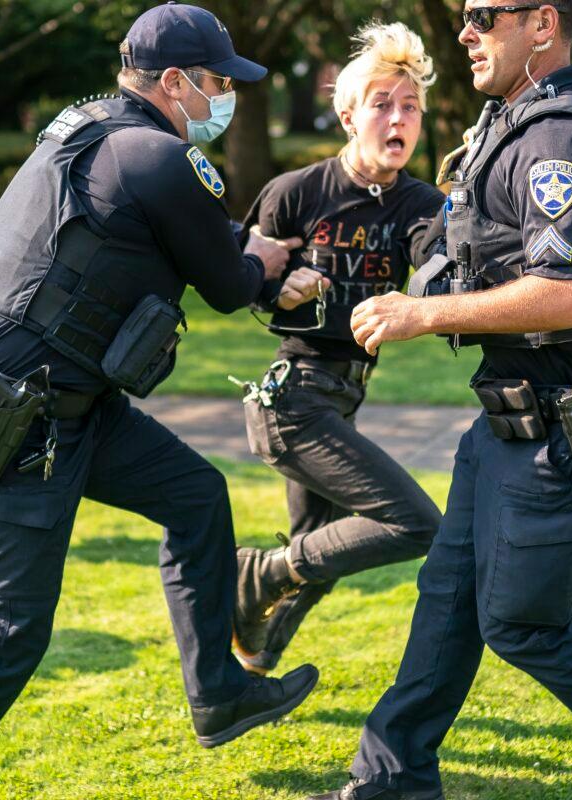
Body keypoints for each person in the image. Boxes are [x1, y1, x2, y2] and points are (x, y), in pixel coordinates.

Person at [0, 5, 324, 797]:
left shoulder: (89, 131)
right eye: (216, 83)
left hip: (63, 404)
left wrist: (245, 248)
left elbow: (150, 237)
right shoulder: (165, 157)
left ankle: (219, 694)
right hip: (13, 421)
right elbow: (223, 284)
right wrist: (266, 261)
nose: (224, 97)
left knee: (196, 496)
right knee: (7, 634)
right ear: (173, 82)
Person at [309, 3, 572, 799]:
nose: (464, 32)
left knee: (521, 624)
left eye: (482, 15)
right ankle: (392, 777)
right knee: (447, 602)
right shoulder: (514, 122)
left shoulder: (560, 136)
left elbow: (568, 295)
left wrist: (421, 314)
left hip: (568, 427)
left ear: (540, 25)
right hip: (508, 420)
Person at [233, 22, 444, 677]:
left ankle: (250, 665)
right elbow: (242, 279)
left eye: (410, 106)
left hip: (342, 398)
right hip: (290, 398)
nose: (397, 117)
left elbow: (435, 267)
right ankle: (253, 574)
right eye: (382, 104)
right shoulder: (296, 193)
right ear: (349, 116)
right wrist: (279, 292)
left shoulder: (421, 204)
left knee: (321, 550)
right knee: (414, 523)